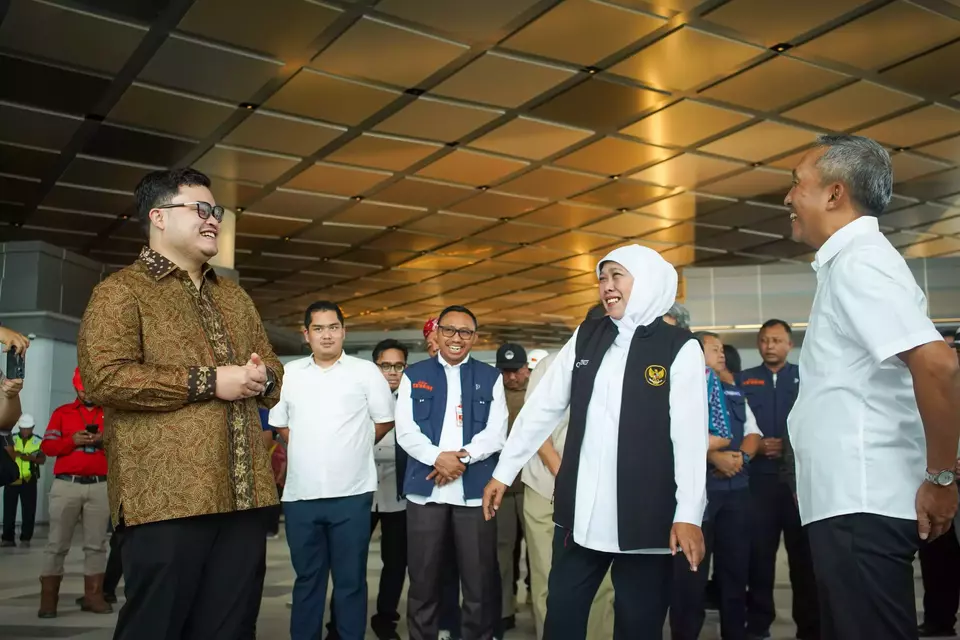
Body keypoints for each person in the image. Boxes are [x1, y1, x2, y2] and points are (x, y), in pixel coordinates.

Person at [78, 167, 284, 640]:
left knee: (232, 629)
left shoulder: (234, 296)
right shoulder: (121, 291)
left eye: (216, 211)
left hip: (244, 495)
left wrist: (261, 377)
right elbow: (105, 379)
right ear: (158, 217)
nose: (213, 219)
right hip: (166, 501)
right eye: (200, 209)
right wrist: (211, 381)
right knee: (157, 627)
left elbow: (272, 365)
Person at [484, 244, 709, 639]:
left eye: (616, 275)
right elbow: (542, 408)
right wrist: (504, 471)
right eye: (602, 278)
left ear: (647, 280)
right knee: (562, 617)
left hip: (645, 516)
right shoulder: (587, 335)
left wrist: (689, 512)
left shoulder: (679, 346)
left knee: (638, 625)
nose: (606, 286)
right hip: (580, 515)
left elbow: (689, 437)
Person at [785, 134, 960, 640]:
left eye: (797, 184)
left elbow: (938, 364)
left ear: (834, 194)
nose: (789, 197)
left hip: (861, 502)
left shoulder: (860, 263)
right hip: (849, 501)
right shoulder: (850, 263)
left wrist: (941, 478)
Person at [271, 301, 395, 640]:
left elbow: (384, 420)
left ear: (343, 331)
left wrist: (354, 445)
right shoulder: (290, 373)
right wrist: (309, 445)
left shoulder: (365, 372)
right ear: (306, 334)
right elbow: (279, 422)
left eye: (333, 327)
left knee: (350, 581)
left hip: (352, 495)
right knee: (307, 580)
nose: (326, 335)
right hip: (301, 496)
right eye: (318, 328)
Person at [396, 305, 508, 640]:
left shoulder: (491, 377)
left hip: (474, 493)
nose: (456, 338)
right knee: (423, 581)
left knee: (478, 583)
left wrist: (461, 458)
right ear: (437, 333)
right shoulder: (414, 375)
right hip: (425, 491)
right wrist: (437, 458)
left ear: (475, 337)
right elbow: (406, 431)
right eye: (449, 330)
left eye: (465, 332)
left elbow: (496, 433)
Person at [520, 313, 615, 640]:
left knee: (602, 582)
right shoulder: (551, 365)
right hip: (546, 487)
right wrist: (567, 477)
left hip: (599, 493)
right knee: (549, 576)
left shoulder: (619, 366)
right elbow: (535, 430)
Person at [671, 332, 761, 640]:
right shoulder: (683, 389)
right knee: (690, 574)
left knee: (735, 571)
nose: (722, 354)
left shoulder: (732, 390)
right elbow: (672, 437)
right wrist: (714, 457)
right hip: (700, 494)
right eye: (714, 349)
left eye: (722, 349)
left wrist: (739, 459)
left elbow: (753, 432)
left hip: (736, 493)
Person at [738, 319, 819, 640]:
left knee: (804, 559)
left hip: (798, 484)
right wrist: (755, 446)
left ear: (789, 344)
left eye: (776, 340)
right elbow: (735, 424)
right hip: (758, 483)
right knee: (759, 558)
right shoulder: (744, 380)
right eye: (764, 340)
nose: (769, 346)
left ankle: (809, 628)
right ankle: (759, 624)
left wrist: (787, 446)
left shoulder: (807, 377)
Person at [328, 338, 410, 640]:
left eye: (399, 366)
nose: (392, 372)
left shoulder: (412, 400)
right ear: (375, 367)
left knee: (396, 562)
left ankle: (385, 620)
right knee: (349, 562)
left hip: (398, 495)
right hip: (359, 490)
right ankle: (339, 625)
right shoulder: (356, 397)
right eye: (385, 366)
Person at [37, 368, 111, 618]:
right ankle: (48, 601)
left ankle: (94, 596)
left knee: (96, 545)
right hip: (66, 485)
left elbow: (124, 445)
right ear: (75, 387)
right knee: (56, 544)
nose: (86, 393)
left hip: (100, 486)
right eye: (82, 388)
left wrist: (102, 440)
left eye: (90, 388)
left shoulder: (109, 414)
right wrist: (72, 441)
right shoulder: (62, 413)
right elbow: (47, 447)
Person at [2, 413, 44, 547]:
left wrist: (29, 458)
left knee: (29, 510)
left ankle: (26, 538)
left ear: (33, 428)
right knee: (9, 510)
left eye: (28, 428)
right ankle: (7, 538)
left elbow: (42, 459)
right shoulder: (11, 439)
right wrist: (21, 455)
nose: (25, 431)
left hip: (29, 479)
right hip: (11, 479)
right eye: (23, 428)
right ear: (19, 427)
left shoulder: (38, 441)